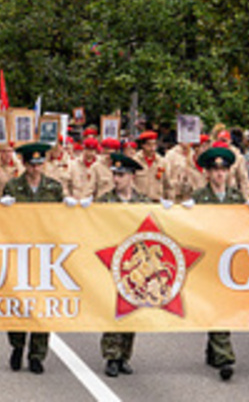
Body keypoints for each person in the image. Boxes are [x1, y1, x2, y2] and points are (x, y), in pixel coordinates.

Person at [2, 142, 64, 375]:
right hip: (20, 252)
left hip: (45, 254)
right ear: (24, 164)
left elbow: (62, 221)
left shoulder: (53, 188)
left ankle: (37, 355)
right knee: (18, 303)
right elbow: (2, 222)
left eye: (39, 164)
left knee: (42, 305)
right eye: (31, 164)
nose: (36, 168)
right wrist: (3, 207)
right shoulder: (13, 187)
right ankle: (17, 346)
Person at [192, 147, 245, 381]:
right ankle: (225, 357)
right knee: (217, 306)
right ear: (208, 173)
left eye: (223, 170)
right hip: (208, 259)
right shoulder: (198, 199)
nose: (220, 174)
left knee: (224, 306)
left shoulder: (236, 198)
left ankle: (214, 350)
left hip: (231, 260)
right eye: (215, 170)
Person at [98, 152, 151, 377]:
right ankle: (111, 355)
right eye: (115, 174)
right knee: (113, 310)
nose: (116, 179)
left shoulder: (143, 202)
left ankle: (124, 355)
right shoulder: (104, 201)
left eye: (121, 175)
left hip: (136, 265)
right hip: (113, 261)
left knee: (132, 310)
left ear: (131, 177)